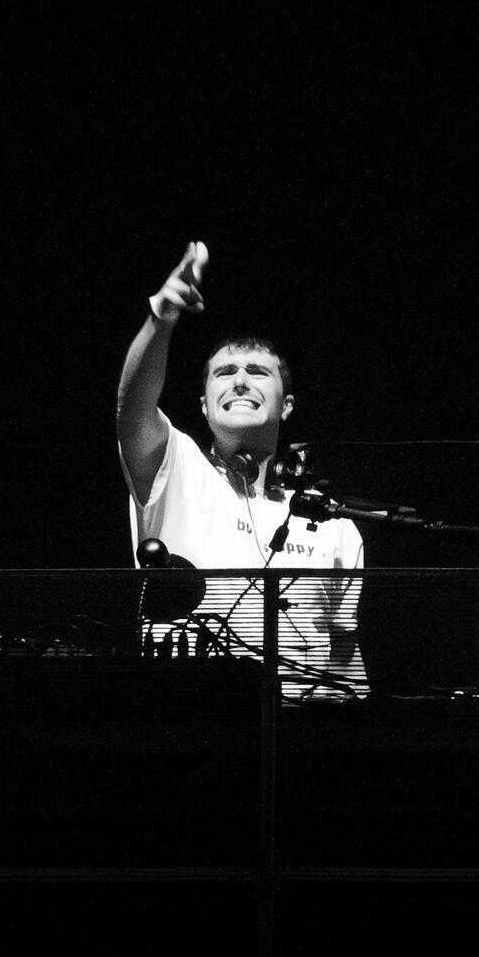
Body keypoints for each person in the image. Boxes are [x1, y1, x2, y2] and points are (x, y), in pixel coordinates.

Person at [116, 241, 365, 699]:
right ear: (205, 405)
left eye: (258, 372)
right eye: (224, 373)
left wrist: (354, 727)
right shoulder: (178, 469)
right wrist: (161, 318)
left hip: (303, 728)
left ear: (286, 406)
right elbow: (132, 410)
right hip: (193, 720)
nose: (241, 382)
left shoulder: (336, 524)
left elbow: (345, 651)